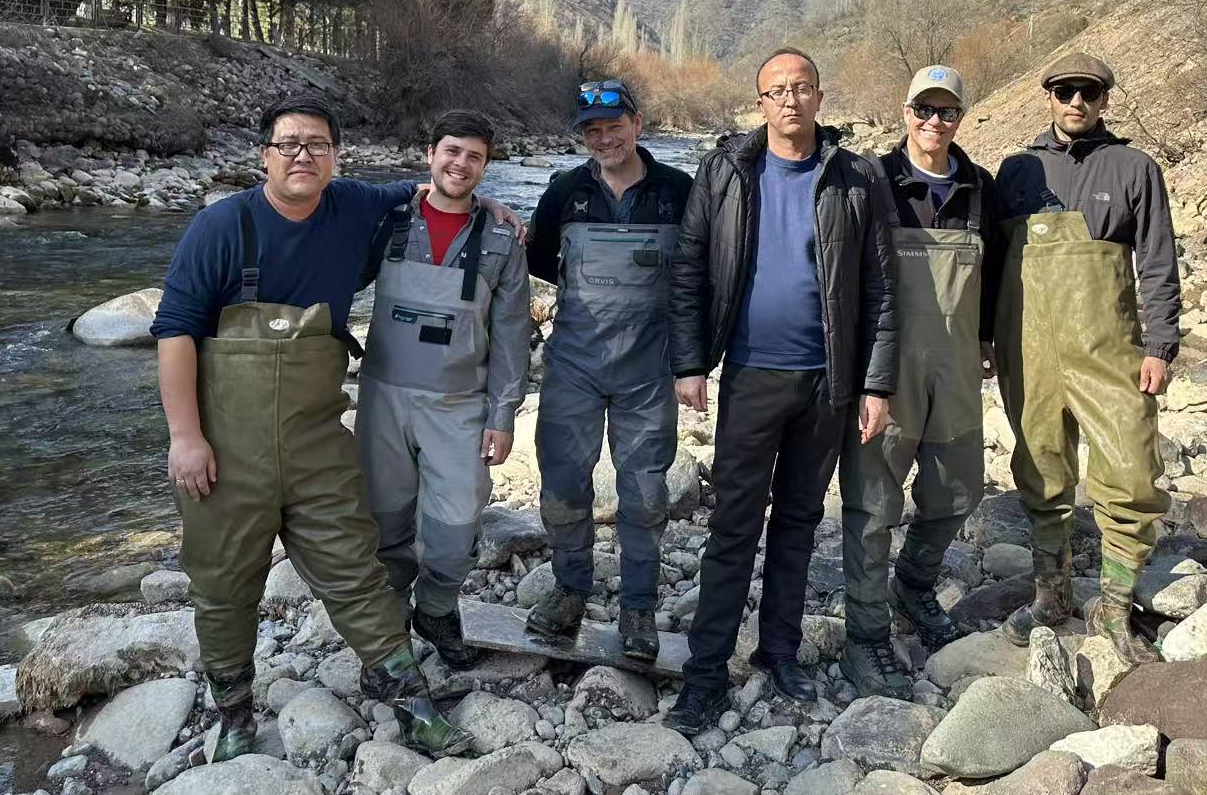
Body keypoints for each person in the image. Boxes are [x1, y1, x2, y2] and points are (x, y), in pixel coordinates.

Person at [154, 96, 518, 759]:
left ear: (335, 158)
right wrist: (186, 437)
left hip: (316, 440)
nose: (302, 155)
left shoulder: (355, 206)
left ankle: (410, 701)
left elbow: (434, 189)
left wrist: (491, 209)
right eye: (288, 144)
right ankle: (234, 713)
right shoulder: (222, 227)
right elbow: (175, 331)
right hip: (224, 449)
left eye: (317, 145)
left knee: (356, 567)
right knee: (224, 581)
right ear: (263, 155)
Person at [663, 48, 898, 735]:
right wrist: (689, 363)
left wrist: (875, 383)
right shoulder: (727, 171)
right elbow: (688, 273)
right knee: (734, 525)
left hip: (828, 383)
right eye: (776, 90)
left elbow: (881, 288)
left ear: (820, 97)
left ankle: (780, 652)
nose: (789, 100)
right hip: (751, 376)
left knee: (798, 521)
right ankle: (705, 674)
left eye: (801, 88)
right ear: (759, 102)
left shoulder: (856, 178)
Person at [994, 54, 1179, 666]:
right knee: (1042, 467)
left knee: (1131, 471)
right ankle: (1053, 595)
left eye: (1088, 92)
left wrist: (1161, 344)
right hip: (1028, 349)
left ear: (1104, 100)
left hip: (1110, 351)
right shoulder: (1017, 170)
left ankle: (1116, 604)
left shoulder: (1135, 168)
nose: (1076, 101)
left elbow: (1156, 262)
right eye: (1065, 91)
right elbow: (992, 262)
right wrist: (981, 337)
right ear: (1047, 96)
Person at [837, 65, 1002, 696]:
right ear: (904, 111)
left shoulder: (980, 188)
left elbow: (997, 275)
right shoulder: (871, 180)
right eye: (923, 110)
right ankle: (867, 635)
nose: (935, 122)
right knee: (874, 503)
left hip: (957, 364)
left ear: (962, 117)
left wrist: (987, 337)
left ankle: (913, 584)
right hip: (888, 367)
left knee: (959, 491)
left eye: (947, 112)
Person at [523, 79, 693, 661]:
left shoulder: (680, 192)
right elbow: (541, 261)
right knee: (564, 485)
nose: (604, 138)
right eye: (592, 131)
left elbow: (700, 277)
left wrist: (694, 361)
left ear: (638, 124)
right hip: (573, 365)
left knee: (645, 494)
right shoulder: (563, 192)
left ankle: (638, 606)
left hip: (649, 371)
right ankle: (570, 590)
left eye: (614, 126)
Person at [357, 109, 532, 670]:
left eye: (474, 156)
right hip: (382, 398)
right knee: (385, 521)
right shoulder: (385, 219)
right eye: (452, 151)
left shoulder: (503, 238)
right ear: (430, 153)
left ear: (485, 167)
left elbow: (511, 336)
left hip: (460, 406)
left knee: (456, 527)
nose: (461, 164)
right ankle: (387, 632)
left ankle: (436, 608)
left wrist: (502, 415)